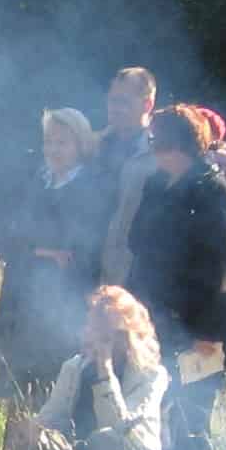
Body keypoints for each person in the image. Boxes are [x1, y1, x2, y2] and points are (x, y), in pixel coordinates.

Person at [124, 106, 226, 450]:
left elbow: (218, 271)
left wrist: (205, 336)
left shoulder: (213, 193)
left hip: (202, 322)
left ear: (174, 142)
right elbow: (136, 242)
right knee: (155, 403)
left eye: (155, 139)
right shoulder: (156, 184)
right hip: (155, 315)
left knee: (192, 413)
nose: (151, 146)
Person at [0, 107, 115, 409]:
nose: (53, 150)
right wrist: (41, 252)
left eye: (62, 142)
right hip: (19, 299)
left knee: (53, 391)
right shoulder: (33, 181)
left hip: (62, 303)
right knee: (15, 391)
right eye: (49, 141)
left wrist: (27, 248)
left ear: (80, 145)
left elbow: (80, 252)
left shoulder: (91, 188)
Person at [10, 285, 171, 450]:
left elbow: (121, 430)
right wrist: (33, 433)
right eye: (92, 328)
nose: (92, 336)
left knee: (104, 439)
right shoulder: (74, 368)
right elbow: (50, 418)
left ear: (126, 336)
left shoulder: (151, 377)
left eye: (105, 333)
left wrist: (105, 370)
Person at [94, 68, 162, 289]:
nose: (115, 108)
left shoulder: (161, 154)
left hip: (135, 274)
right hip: (86, 267)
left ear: (147, 105)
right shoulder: (91, 146)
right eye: (112, 101)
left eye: (123, 101)